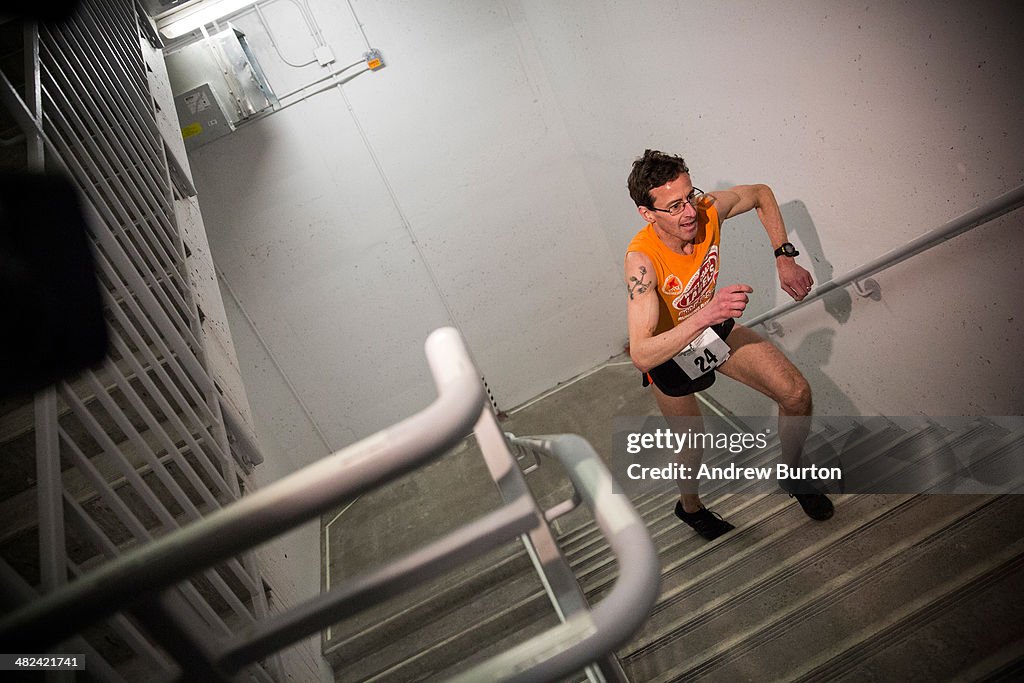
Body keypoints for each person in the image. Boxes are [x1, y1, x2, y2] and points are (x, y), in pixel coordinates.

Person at [624, 149, 833, 540]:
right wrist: (705, 314)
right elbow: (640, 353)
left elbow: (761, 193)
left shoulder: (706, 211)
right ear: (648, 214)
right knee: (692, 444)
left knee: (796, 393)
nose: (688, 213)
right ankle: (689, 507)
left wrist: (784, 255)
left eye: (689, 196)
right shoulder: (642, 263)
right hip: (668, 355)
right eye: (673, 207)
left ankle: (793, 474)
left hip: (710, 327)